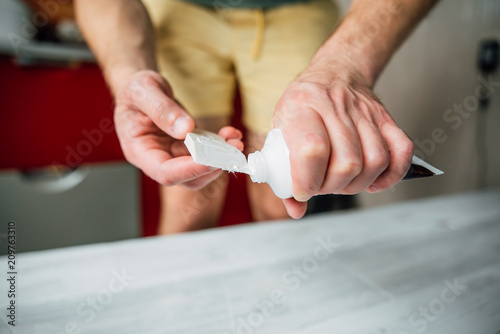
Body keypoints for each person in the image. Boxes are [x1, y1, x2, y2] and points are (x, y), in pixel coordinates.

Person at [74, 0, 438, 234]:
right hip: (178, 12)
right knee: (189, 201)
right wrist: (128, 78)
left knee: (283, 203)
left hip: (296, 8)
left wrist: (346, 65)